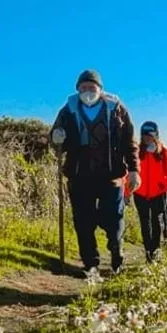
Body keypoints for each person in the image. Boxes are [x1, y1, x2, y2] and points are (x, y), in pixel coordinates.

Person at [51, 69, 140, 273]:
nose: (87, 91)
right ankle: (91, 264)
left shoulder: (116, 109)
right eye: (83, 88)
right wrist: (56, 138)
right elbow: (55, 140)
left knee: (113, 218)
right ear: (77, 90)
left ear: (100, 89)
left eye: (92, 87)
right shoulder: (68, 110)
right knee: (83, 222)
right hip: (79, 176)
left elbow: (129, 142)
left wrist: (134, 170)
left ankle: (116, 249)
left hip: (111, 176)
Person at [133, 121, 167, 262]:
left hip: (159, 193)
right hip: (140, 192)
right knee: (144, 222)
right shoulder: (136, 150)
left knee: (157, 221)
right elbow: (129, 171)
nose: (147, 137)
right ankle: (148, 252)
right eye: (144, 134)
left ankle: (156, 250)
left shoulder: (163, 151)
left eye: (150, 134)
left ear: (156, 135)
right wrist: (127, 192)